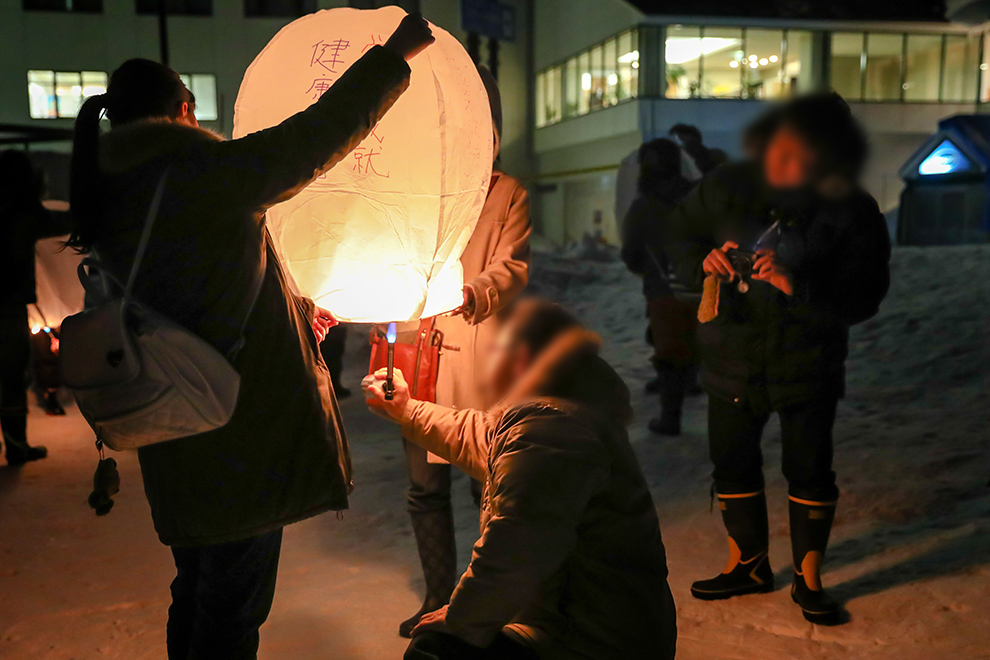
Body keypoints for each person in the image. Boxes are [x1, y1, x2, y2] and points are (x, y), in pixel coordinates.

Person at [67, 14, 434, 659]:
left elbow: (193, 288)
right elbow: (317, 135)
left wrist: (288, 309)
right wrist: (393, 55)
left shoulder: (113, 189)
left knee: (198, 587)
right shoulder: (200, 174)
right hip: (236, 424)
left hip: (170, 418)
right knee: (233, 609)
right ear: (184, 110)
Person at [665, 93, 891, 625]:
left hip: (807, 363)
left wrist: (798, 285)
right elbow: (679, 230)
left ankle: (809, 580)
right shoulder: (729, 185)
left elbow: (866, 294)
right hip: (730, 360)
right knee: (733, 462)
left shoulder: (852, 209)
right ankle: (748, 565)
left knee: (809, 469)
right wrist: (704, 258)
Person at [365, 299, 676, 660]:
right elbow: (481, 436)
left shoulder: (553, 432)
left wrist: (462, 618)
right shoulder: (555, 416)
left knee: (435, 651)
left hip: (592, 639)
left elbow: (516, 544)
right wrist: (408, 409)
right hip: (581, 624)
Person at [396, 64, 532, 639]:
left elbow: (512, 266)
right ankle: (437, 591)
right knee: (424, 486)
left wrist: (477, 290)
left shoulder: (506, 193)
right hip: (416, 354)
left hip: (477, 355)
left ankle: (485, 596)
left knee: (485, 479)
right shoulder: (414, 190)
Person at [0, 150, 71, 465]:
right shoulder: (23, 214)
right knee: (12, 377)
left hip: (10, 305)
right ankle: (16, 447)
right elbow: (68, 220)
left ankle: (17, 446)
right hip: (8, 306)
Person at [621, 138, 695, 436]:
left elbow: (632, 253)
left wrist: (648, 272)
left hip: (663, 289)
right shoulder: (695, 196)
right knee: (696, 343)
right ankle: (689, 384)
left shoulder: (644, 206)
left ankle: (670, 416)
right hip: (702, 285)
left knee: (669, 353)